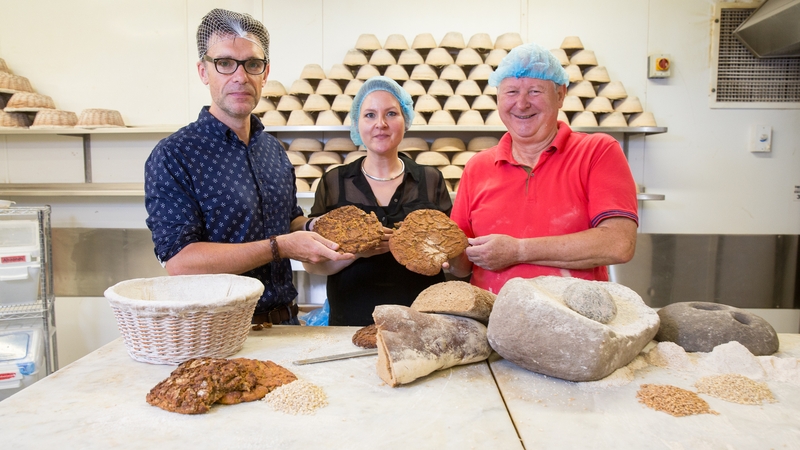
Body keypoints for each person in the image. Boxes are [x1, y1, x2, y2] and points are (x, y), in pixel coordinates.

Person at [144, 8, 350, 325]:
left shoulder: (273, 150)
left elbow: (289, 219)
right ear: (203, 71)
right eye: (225, 63)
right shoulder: (175, 155)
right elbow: (181, 263)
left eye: (252, 64)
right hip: (218, 333)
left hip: (286, 324)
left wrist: (312, 229)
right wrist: (279, 247)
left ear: (265, 73)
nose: (240, 76)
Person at [448, 43, 638, 294]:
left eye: (535, 91)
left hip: (575, 322)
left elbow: (618, 243)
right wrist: (438, 250)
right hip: (494, 322)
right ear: (498, 98)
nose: (522, 103)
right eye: (511, 92)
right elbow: (462, 267)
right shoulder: (477, 167)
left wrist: (518, 251)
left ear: (560, 95)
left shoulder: (597, 151)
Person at [303, 76, 453, 326]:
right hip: (350, 320)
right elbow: (313, 266)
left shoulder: (430, 179)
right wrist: (356, 253)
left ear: (406, 119)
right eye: (370, 115)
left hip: (422, 321)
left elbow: (449, 256)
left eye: (391, 113)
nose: (380, 124)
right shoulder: (334, 182)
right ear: (357, 123)